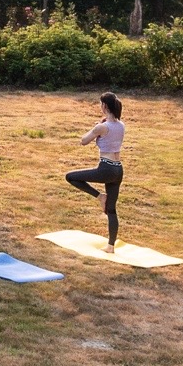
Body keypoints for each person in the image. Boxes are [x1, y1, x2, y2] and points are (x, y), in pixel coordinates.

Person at [65, 91, 125, 251]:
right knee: (111, 210)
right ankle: (111, 246)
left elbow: (83, 141)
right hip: (118, 169)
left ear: (104, 106)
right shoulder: (121, 125)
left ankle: (100, 196)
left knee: (71, 177)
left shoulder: (101, 127)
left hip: (106, 168)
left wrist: (96, 128)